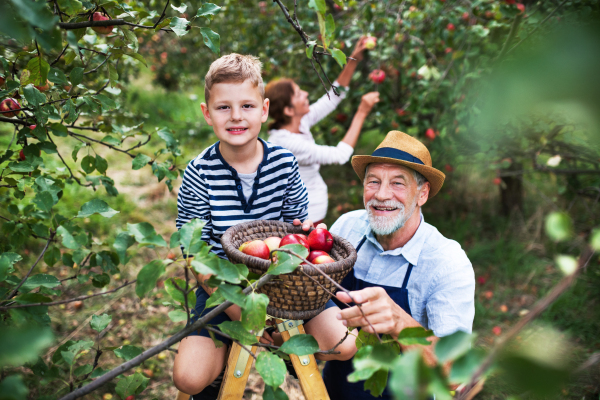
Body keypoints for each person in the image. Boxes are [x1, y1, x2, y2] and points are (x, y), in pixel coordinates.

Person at [173, 54, 356, 399]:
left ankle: (285, 353)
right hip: (223, 288)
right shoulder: (199, 172)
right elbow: (195, 253)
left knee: (343, 345)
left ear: (265, 109)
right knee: (188, 378)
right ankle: (224, 353)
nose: (237, 116)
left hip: (288, 284)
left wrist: (278, 316)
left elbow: (296, 240)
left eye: (247, 105)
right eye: (224, 107)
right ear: (207, 112)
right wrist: (244, 314)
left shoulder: (284, 164)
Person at [322, 130, 476, 400]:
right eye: (373, 181)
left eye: (397, 183)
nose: (381, 195)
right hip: (330, 391)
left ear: (422, 193)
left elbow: (455, 374)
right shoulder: (347, 227)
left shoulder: (446, 262)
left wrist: (399, 322)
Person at [266, 37, 380, 224]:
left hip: (310, 211)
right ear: (288, 110)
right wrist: (362, 112)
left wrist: (353, 58)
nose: (306, 94)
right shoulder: (286, 144)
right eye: (298, 93)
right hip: (303, 219)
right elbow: (340, 155)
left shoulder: (298, 123)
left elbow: (334, 97)